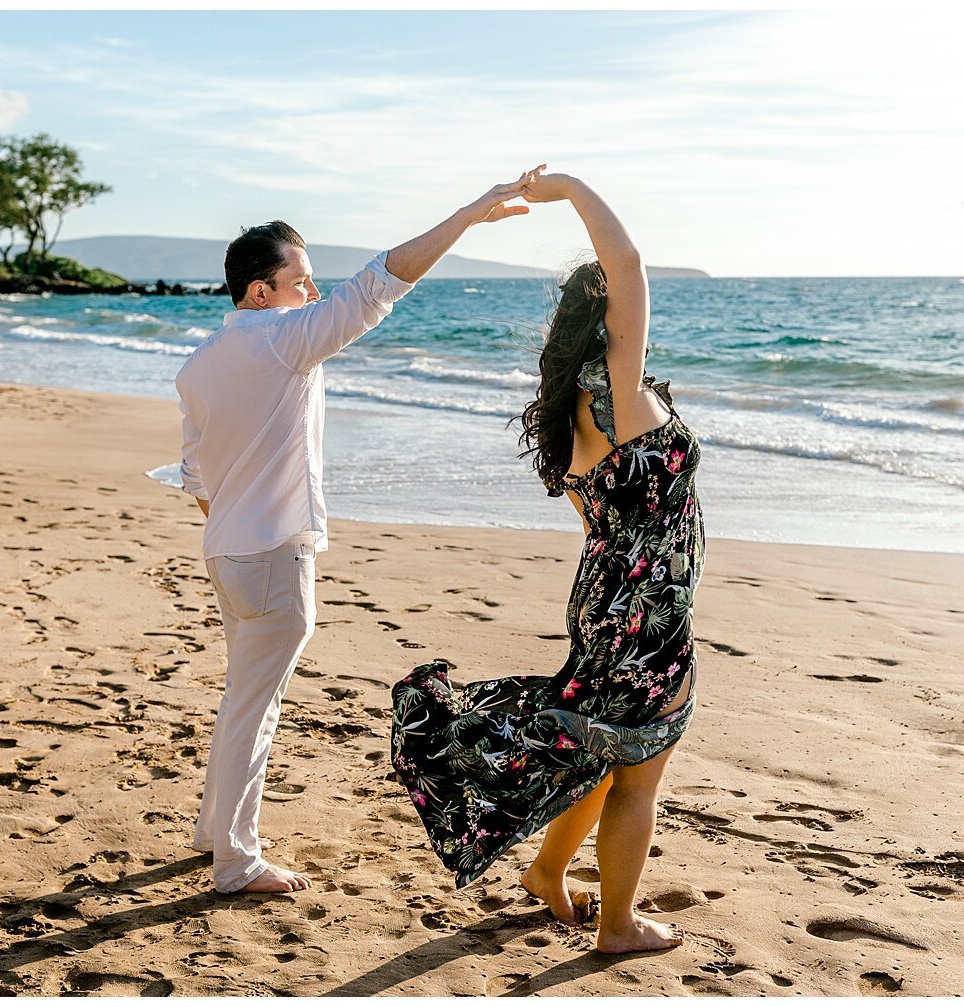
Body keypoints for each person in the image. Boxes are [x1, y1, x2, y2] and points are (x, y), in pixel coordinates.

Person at [176, 171, 535, 895]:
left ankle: (216, 832)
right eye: (300, 280)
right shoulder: (283, 342)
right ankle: (235, 859)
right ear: (259, 294)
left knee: (242, 696)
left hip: (227, 552)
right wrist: (465, 214)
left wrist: (237, 528)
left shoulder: (200, 364)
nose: (312, 293)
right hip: (273, 557)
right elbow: (377, 284)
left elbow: (196, 480)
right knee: (255, 704)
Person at [390, 166, 704, 954]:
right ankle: (618, 925)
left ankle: (547, 871)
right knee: (640, 766)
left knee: (605, 742)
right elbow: (627, 264)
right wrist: (571, 187)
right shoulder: (620, 391)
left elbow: (605, 518)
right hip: (647, 610)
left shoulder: (568, 417)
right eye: (625, 304)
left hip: (605, 594)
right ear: (607, 317)